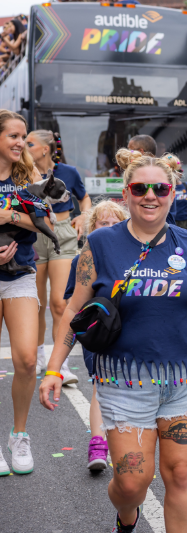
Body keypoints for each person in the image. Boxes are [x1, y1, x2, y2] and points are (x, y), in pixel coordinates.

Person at [39, 149, 187, 532]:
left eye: (160, 188)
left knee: (180, 474)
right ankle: (127, 514)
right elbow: (73, 311)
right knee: (131, 482)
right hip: (125, 381)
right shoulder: (100, 245)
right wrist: (53, 369)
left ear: (173, 193)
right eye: (139, 187)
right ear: (126, 193)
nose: (150, 195)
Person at [62, 200, 129, 470]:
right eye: (104, 223)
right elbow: (72, 304)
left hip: (131, 332)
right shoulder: (83, 260)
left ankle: (123, 442)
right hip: (99, 334)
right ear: (92, 229)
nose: (110, 227)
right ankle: (98, 444)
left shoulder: (137, 256)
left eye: (116, 222)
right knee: (100, 386)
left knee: (128, 388)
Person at [0, 110, 49, 477]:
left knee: (28, 360)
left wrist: (9, 217)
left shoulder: (30, 177)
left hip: (20, 275)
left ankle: (19, 434)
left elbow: (46, 223)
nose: (20, 143)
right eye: (13, 136)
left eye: (23, 136)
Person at [26, 130, 92, 383]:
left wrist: (84, 215)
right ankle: (38, 357)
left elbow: (84, 198)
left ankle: (59, 364)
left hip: (63, 235)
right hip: (31, 236)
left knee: (60, 303)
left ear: (45, 149)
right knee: (37, 304)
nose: (24, 145)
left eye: (30, 143)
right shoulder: (20, 171)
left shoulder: (69, 172)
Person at [165, 155, 187, 231]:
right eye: (172, 170)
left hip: (184, 224)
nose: (176, 174)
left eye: (179, 171)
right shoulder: (161, 187)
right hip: (166, 224)